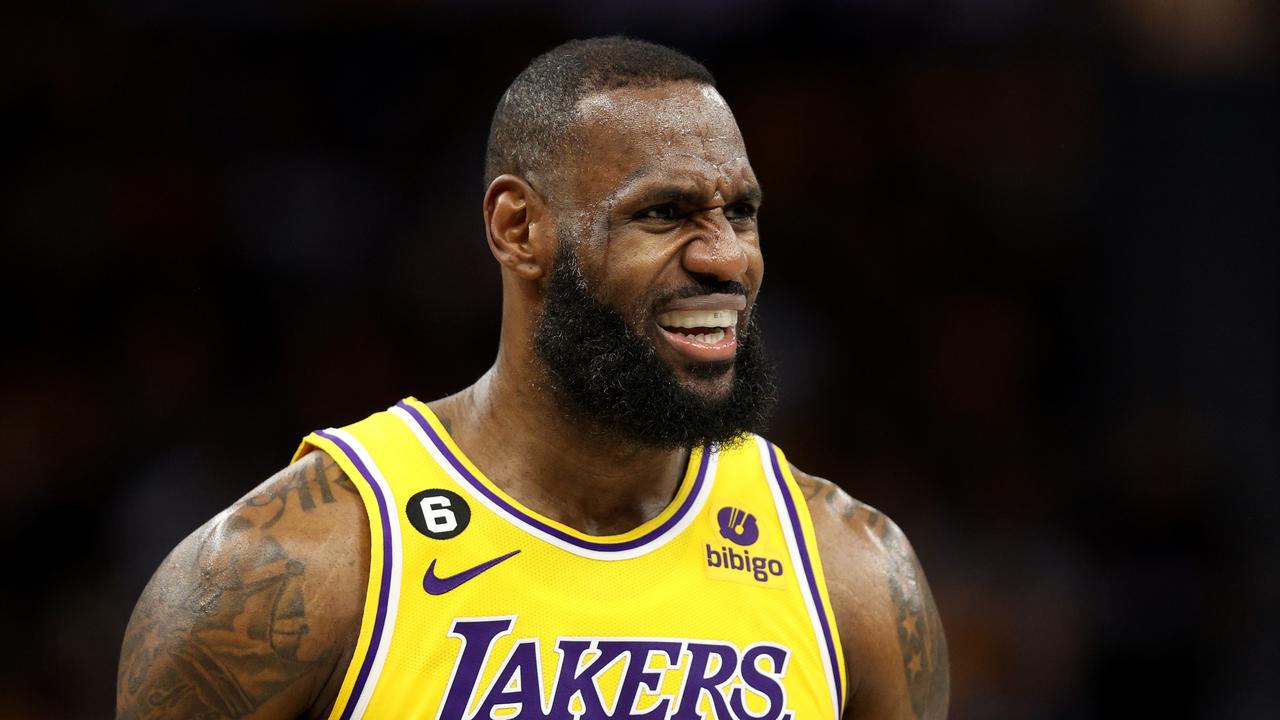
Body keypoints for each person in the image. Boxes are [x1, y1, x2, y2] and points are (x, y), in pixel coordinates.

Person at [116, 36, 948, 720]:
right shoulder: (292, 569)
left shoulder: (853, 574)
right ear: (519, 228)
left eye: (739, 212)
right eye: (663, 213)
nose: (726, 257)